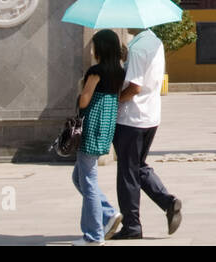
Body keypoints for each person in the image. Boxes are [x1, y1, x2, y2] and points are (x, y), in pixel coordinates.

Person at [111, 26, 182, 240]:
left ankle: (132, 226)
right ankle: (168, 202)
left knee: (127, 173)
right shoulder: (155, 42)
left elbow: (134, 87)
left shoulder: (138, 48)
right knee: (137, 166)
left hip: (132, 118)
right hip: (151, 115)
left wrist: (114, 102)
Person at [71, 29, 125, 245]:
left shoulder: (96, 71)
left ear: (100, 47)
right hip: (105, 126)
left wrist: (79, 92)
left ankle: (94, 236)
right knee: (79, 178)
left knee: (88, 181)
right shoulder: (119, 72)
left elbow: (85, 100)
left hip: (91, 127)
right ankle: (108, 213)